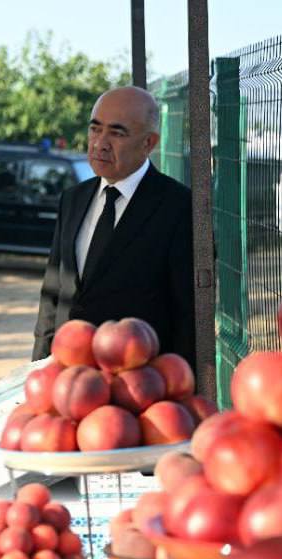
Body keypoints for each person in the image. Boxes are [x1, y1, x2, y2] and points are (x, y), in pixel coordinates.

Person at [31, 86, 195, 366]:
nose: (100, 143)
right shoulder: (73, 199)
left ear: (148, 143)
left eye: (117, 133)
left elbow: (187, 314)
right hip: (67, 372)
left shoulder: (179, 207)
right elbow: (53, 293)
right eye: (95, 129)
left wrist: (176, 382)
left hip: (135, 376)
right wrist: (39, 366)